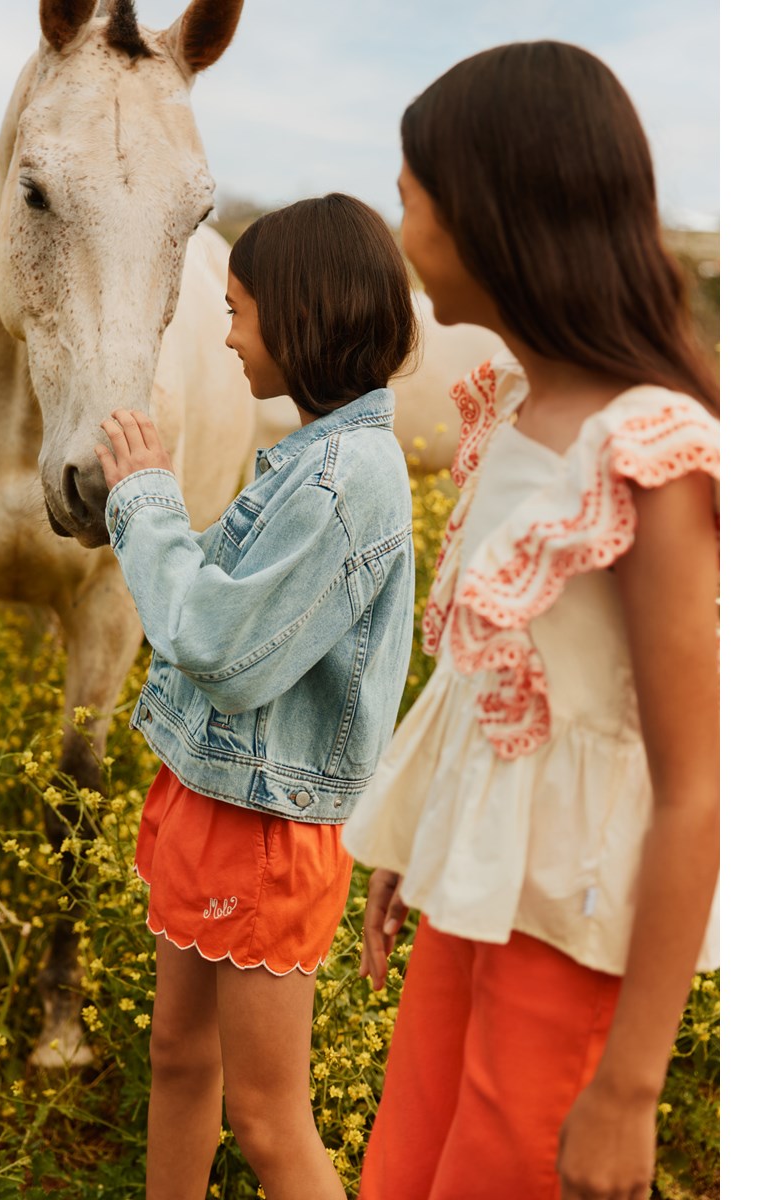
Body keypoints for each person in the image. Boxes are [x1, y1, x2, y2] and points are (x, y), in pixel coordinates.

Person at [342, 41, 720, 1200]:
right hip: (473, 896)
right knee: (403, 1171)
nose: (399, 231)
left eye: (409, 200)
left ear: (491, 216)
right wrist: (415, 843)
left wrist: (630, 1090)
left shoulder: (646, 449)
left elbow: (694, 789)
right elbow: (489, 689)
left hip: (569, 925)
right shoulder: (511, 410)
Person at [93, 193, 419, 1200]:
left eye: (237, 313)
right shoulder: (314, 460)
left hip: (268, 828)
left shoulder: (343, 480)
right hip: (217, 795)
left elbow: (222, 648)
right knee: (177, 1054)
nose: (228, 338)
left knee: (269, 1118)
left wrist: (145, 499)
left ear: (301, 315)